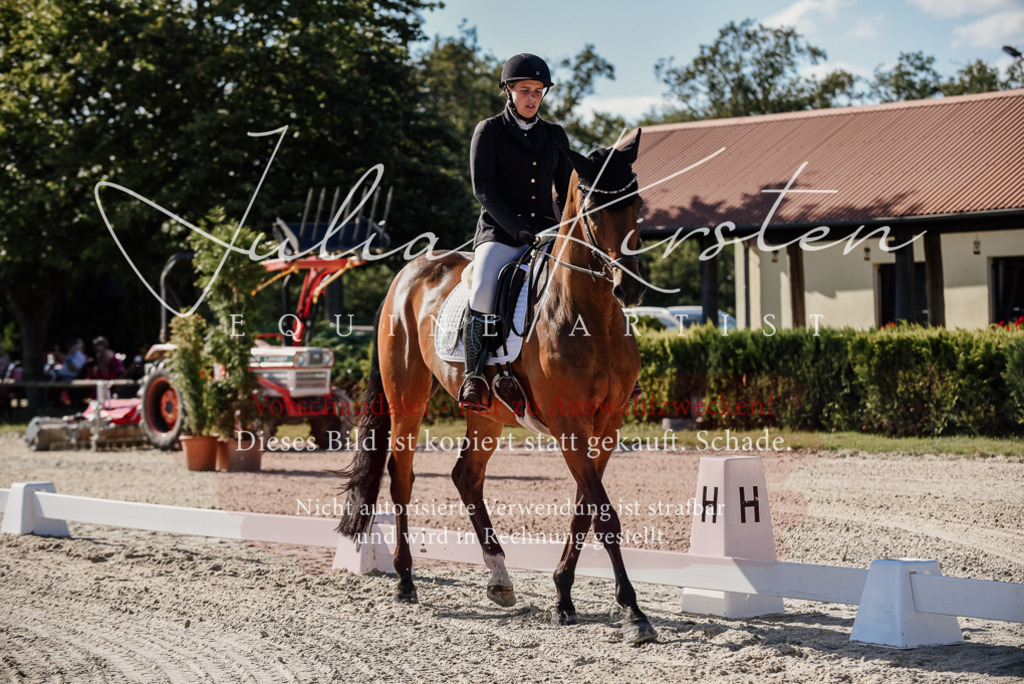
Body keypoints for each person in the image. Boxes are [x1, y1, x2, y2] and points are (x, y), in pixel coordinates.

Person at [460, 52, 572, 409]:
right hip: (500, 233)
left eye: (538, 91)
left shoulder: (554, 134)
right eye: (524, 90)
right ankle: (474, 375)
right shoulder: (489, 131)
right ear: (508, 91)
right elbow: (483, 190)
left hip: (547, 232)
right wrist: (518, 229)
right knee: (482, 289)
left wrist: (567, 228)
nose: (532, 98)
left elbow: (568, 188)